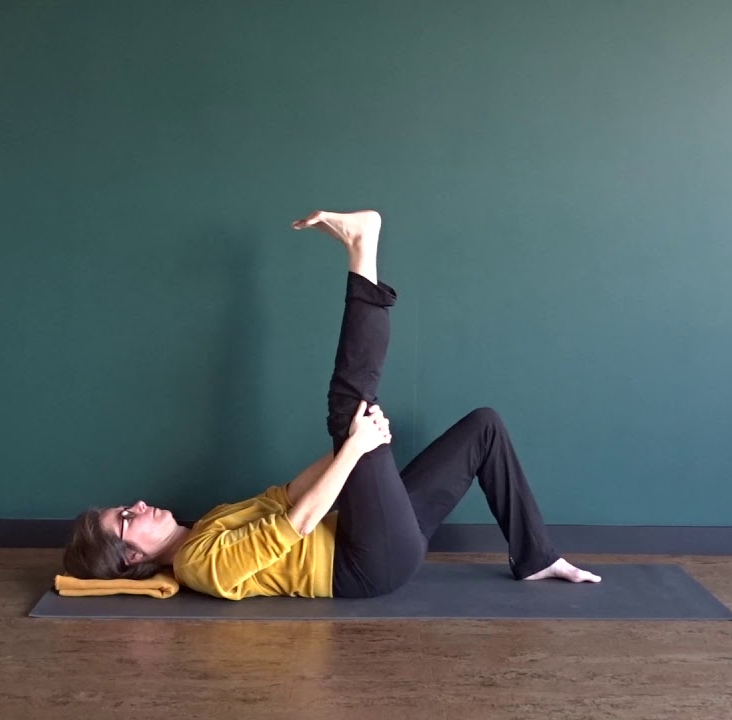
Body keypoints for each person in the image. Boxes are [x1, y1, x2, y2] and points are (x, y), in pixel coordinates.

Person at [62, 209, 601, 599]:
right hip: (366, 565)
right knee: (348, 405)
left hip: (375, 537)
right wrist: (353, 446)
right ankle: (362, 247)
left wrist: (356, 445)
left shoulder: (207, 526)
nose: (139, 504)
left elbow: (287, 497)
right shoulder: (198, 566)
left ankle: (536, 555)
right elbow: (300, 522)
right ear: (130, 558)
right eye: (127, 518)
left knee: (483, 427)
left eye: (127, 506)